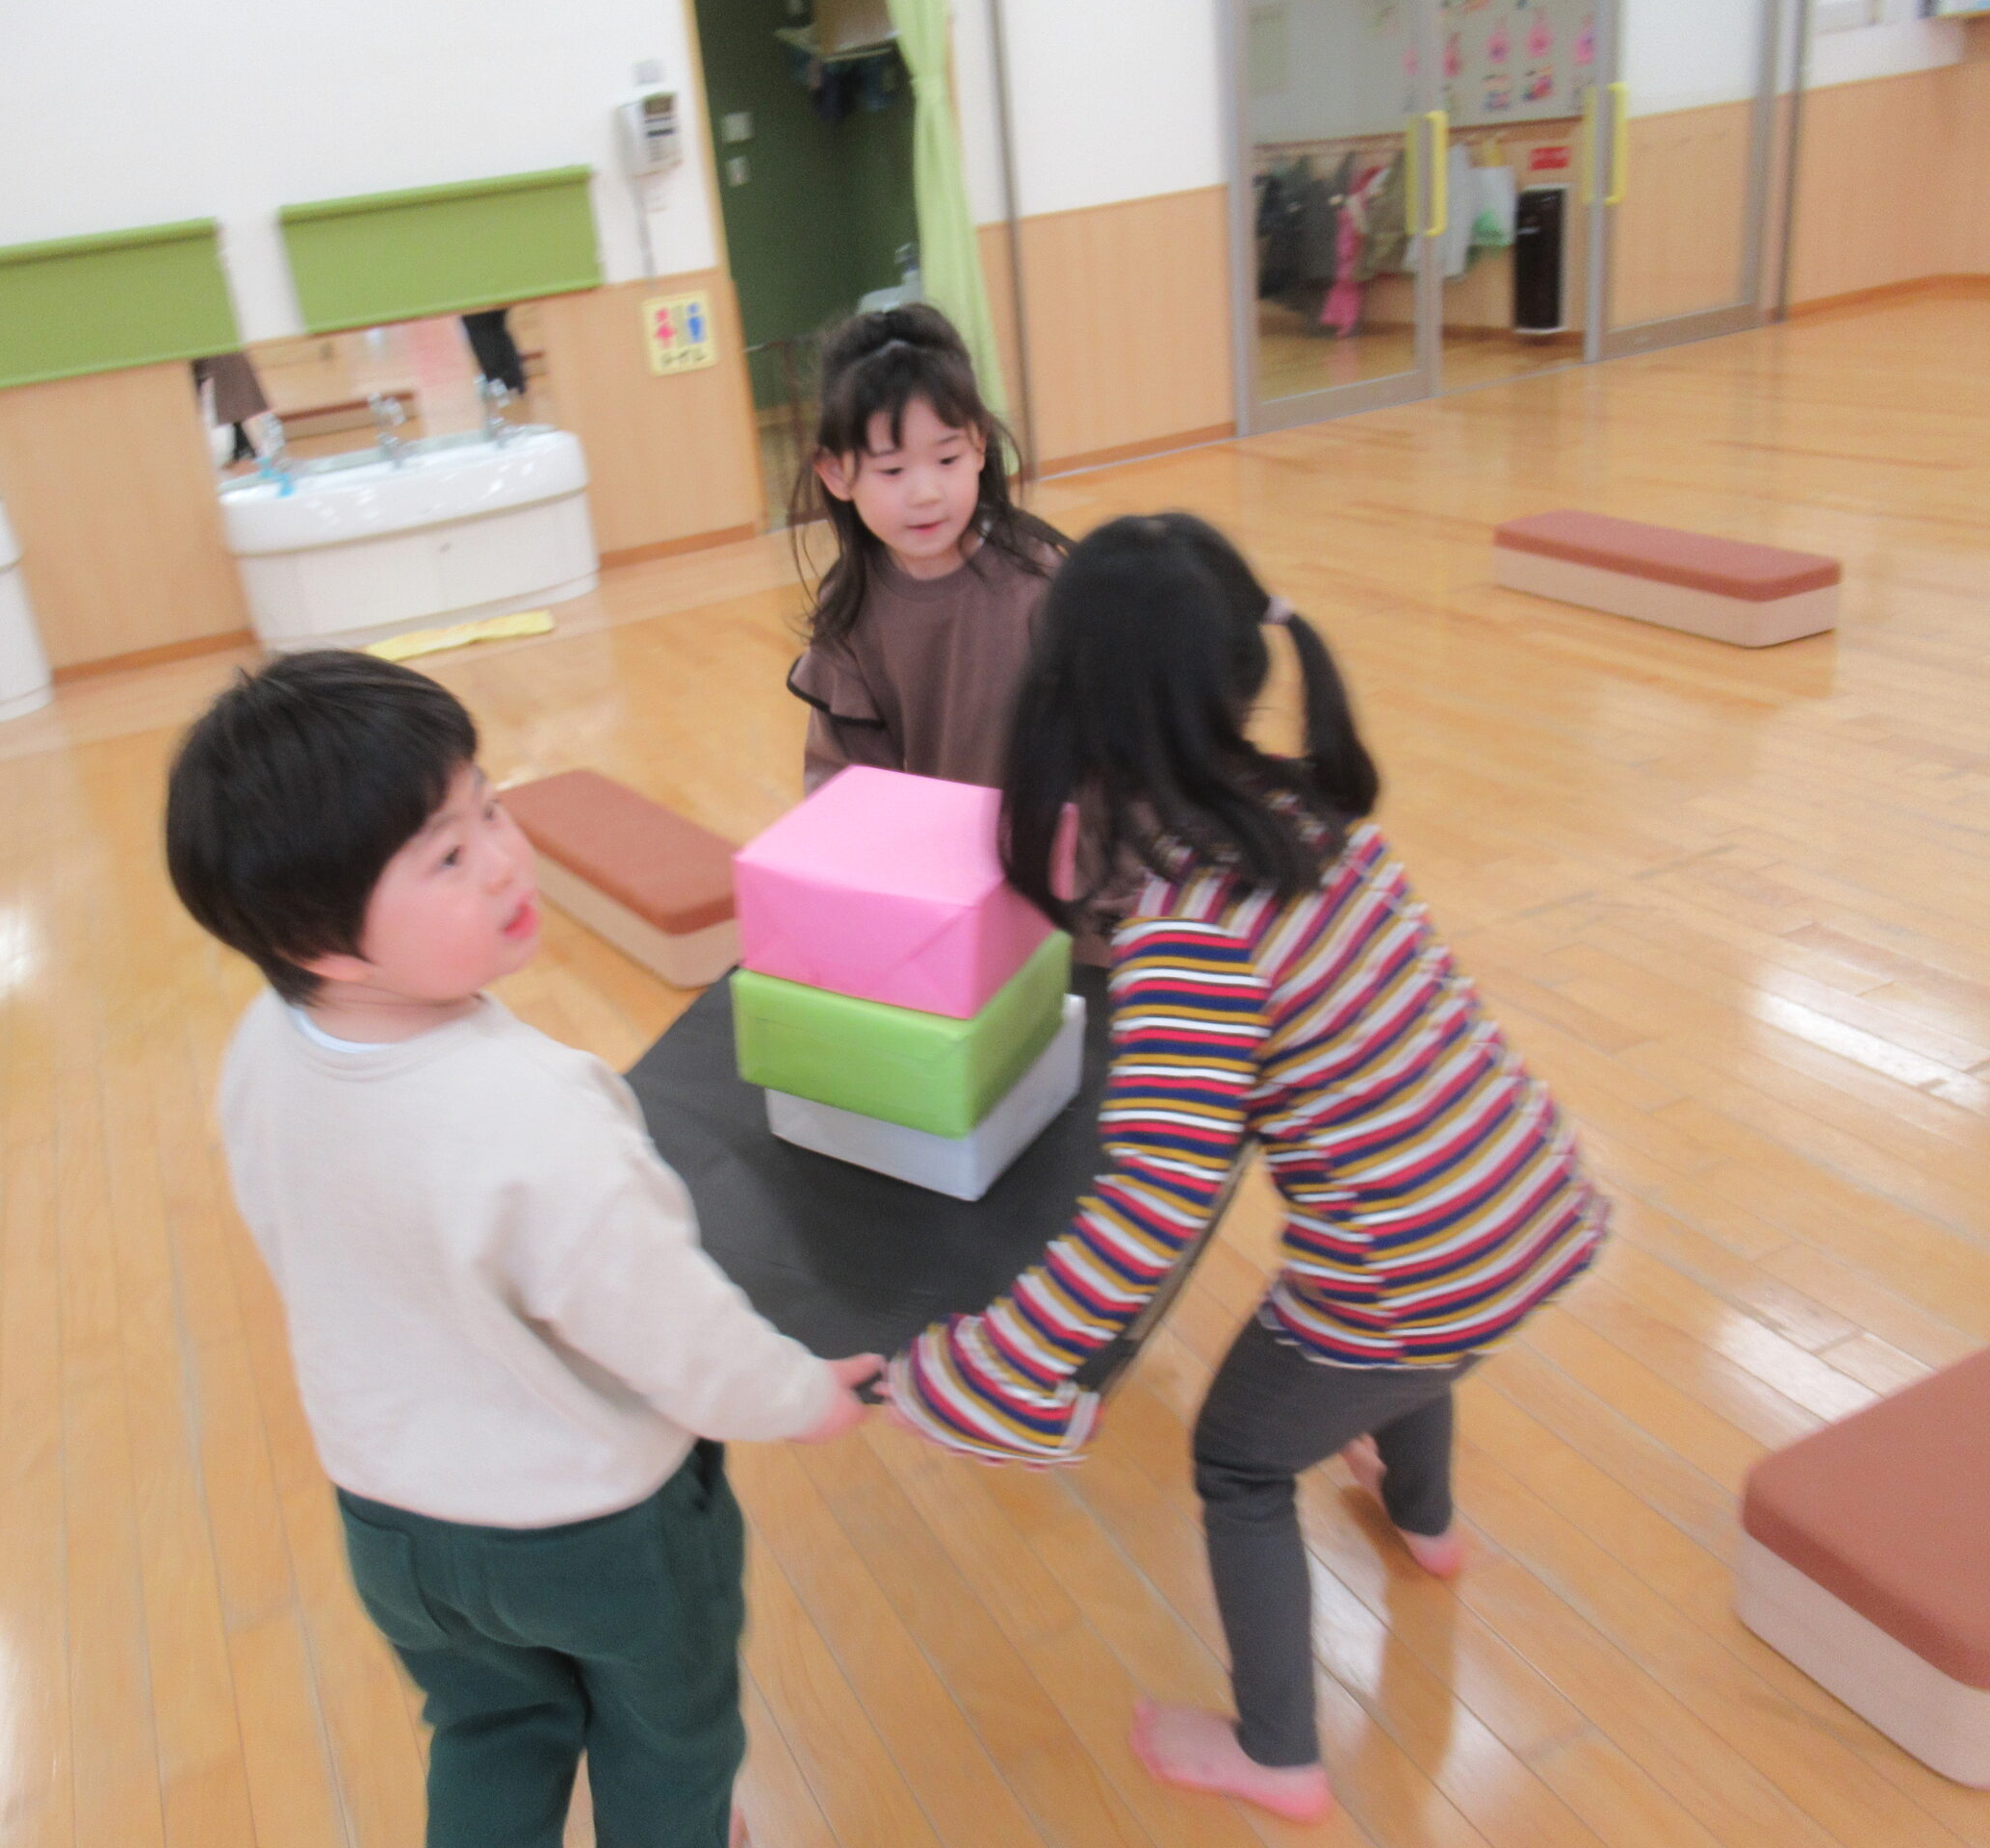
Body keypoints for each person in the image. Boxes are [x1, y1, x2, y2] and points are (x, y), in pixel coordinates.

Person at [883, 514, 1611, 1825]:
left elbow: (1146, 1212)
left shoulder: (1189, 932)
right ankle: (1426, 1520)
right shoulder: (1311, 815)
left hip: (1412, 1278)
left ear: (1072, 709)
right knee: (1415, 1330)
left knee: (1238, 1457)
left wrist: (981, 1361)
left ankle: (1277, 1752)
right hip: (1523, 1206)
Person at [164, 651, 880, 1848]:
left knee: (490, 1731)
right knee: (670, 1739)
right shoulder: (532, 1110)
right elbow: (671, 1329)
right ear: (323, 940)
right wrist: (799, 1397)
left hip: (392, 1519)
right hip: (598, 1527)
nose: (503, 858)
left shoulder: (261, 1046)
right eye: (446, 856)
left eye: (486, 808)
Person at [785, 303, 1070, 795]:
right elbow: (848, 785)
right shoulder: (850, 611)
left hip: (1053, 831)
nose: (925, 494)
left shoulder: (1041, 578)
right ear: (836, 473)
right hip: (932, 839)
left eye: (947, 458)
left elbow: (1111, 742)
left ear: (979, 445)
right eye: (892, 470)